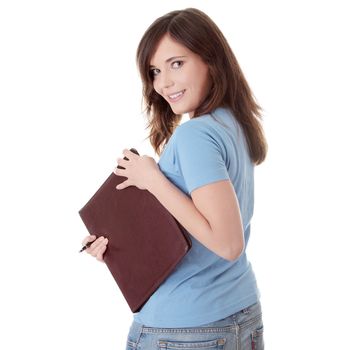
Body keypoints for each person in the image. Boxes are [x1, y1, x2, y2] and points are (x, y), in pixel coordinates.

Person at [81, 7, 268, 350]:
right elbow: (196, 231)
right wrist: (118, 247)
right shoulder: (233, 124)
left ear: (211, 59)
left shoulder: (195, 135)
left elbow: (227, 243)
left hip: (185, 331)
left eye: (176, 64)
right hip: (238, 313)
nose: (163, 82)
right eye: (155, 71)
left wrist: (153, 180)